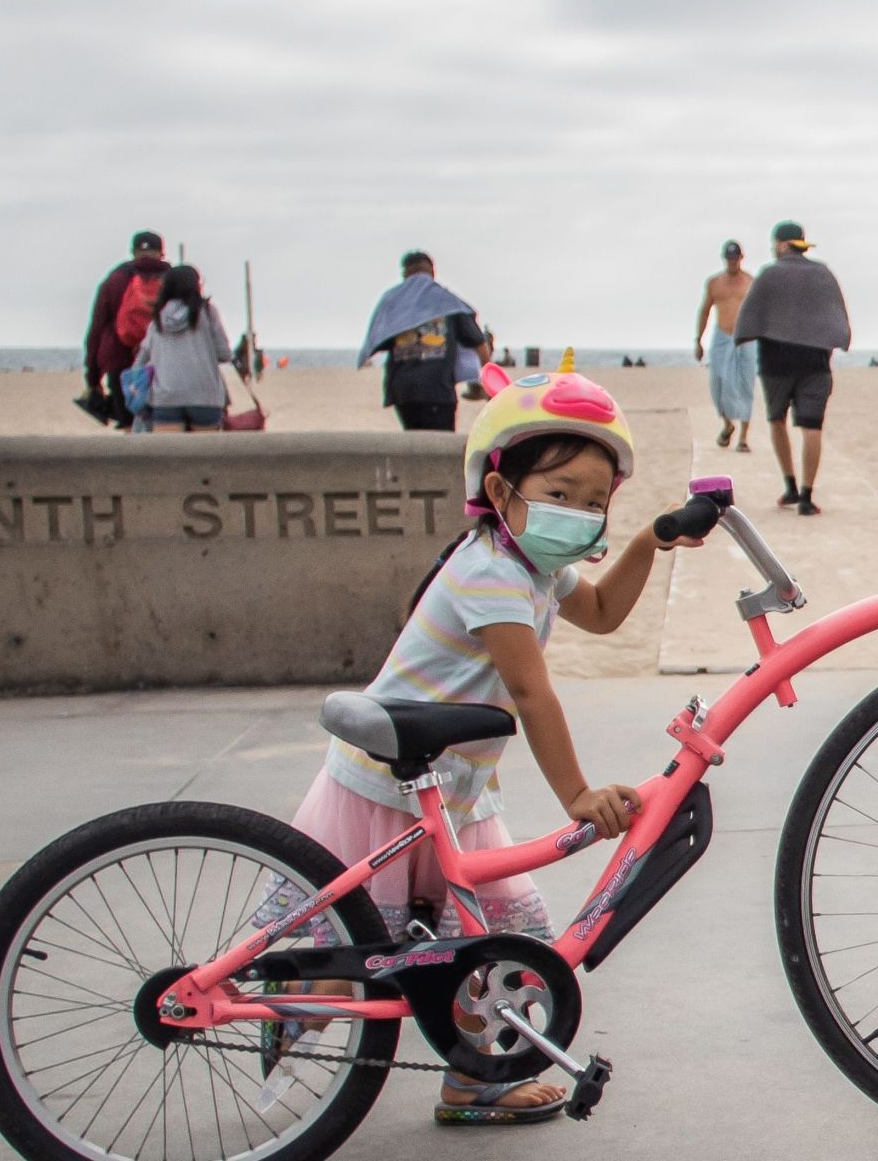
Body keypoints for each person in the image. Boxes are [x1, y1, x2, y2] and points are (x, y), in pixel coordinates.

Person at [278, 371, 701, 1124]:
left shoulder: (534, 567)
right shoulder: (490, 572)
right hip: (387, 789)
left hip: (454, 787)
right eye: (561, 493)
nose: (578, 512)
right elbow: (532, 691)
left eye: (596, 502)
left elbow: (602, 612)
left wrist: (648, 541)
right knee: (360, 959)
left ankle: (474, 1081)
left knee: (491, 943)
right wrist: (577, 796)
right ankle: (291, 997)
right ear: (503, 494)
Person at [732, 221, 851, 516]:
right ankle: (808, 496)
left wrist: (744, 335)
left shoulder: (770, 273)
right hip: (815, 362)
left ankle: (791, 486)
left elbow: (749, 316)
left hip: (776, 362)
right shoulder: (822, 273)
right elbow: (837, 315)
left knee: (777, 419)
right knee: (812, 426)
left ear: (783, 244)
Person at [360, 252, 493, 432]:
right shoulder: (449, 302)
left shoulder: (392, 303)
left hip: (403, 391)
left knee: (414, 441)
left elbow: (379, 341)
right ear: (432, 271)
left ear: (405, 274)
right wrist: (490, 381)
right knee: (440, 444)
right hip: (438, 391)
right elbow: (478, 342)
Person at [130, 265, 239, 431]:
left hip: (165, 395)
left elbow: (141, 359)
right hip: (205, 395)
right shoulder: (208, 311)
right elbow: (224, 354)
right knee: (204, 455)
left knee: (168, 454)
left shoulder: (158, 317)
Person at [82, 231, 170, 429]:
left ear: (133, 251)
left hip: (120, 361)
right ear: (162, 252)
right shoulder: (176, 279)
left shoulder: (115, 279)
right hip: (162, 361)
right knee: (165, 424)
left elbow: (96, 329)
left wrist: (93, 378)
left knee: (128, 423)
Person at [694, 240, 759, 452]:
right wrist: (698, 340)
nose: (732, 262)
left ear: (742, 258)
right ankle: (728, 424)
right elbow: (704, 311)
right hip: (722, 336)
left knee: (745, 384)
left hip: (746, 337)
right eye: (729, 258)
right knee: (717, 384)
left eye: (735, 258)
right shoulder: (714, 283)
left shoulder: (751, 281)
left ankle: (743, 437)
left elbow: (762, 312)